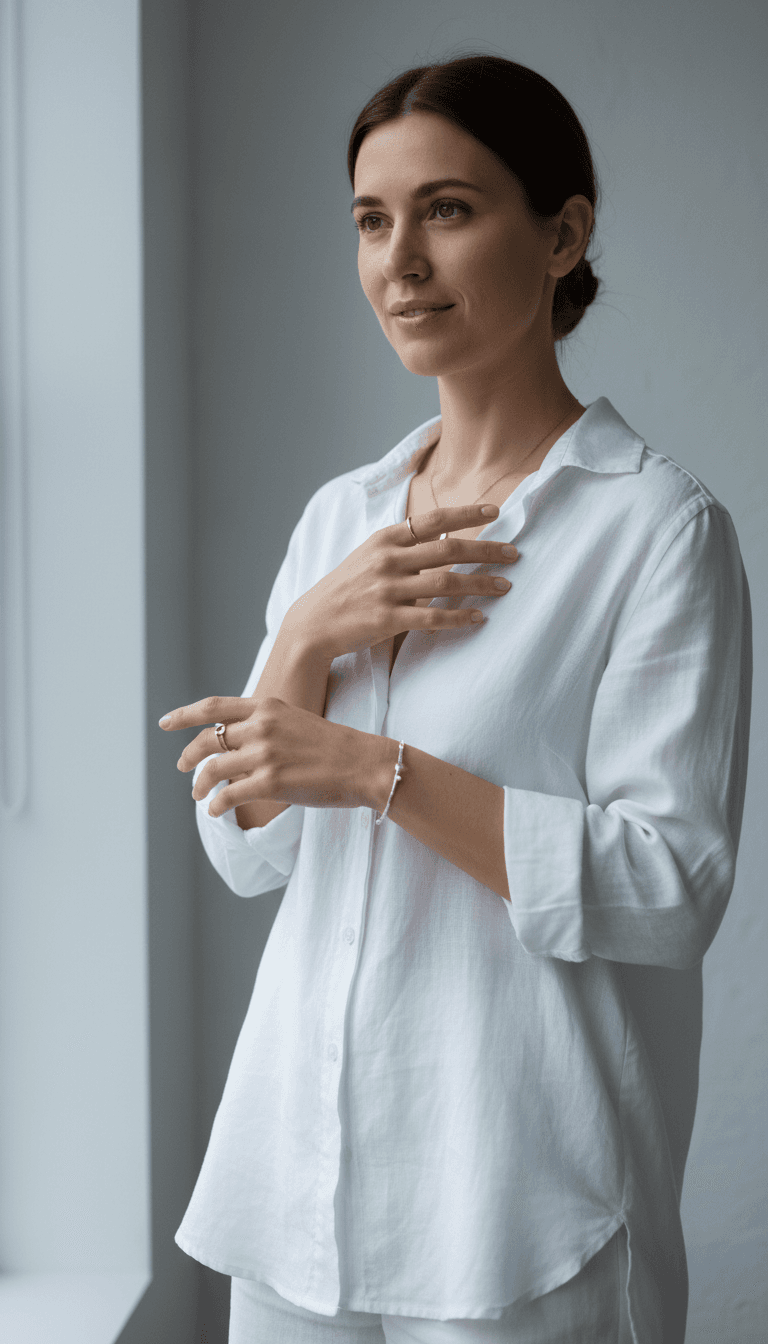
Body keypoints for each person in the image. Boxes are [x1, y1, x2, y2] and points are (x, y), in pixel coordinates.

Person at [161, 54, 752, 1344]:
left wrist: (377, 770)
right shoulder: (341, 519)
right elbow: (244, 852)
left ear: (563, 233)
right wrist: (308, 633)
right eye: (372, 221)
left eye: (448, 209)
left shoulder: (655, 531)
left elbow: (671, 890)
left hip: (520, 1208)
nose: (399, 261)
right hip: (294, 1193)